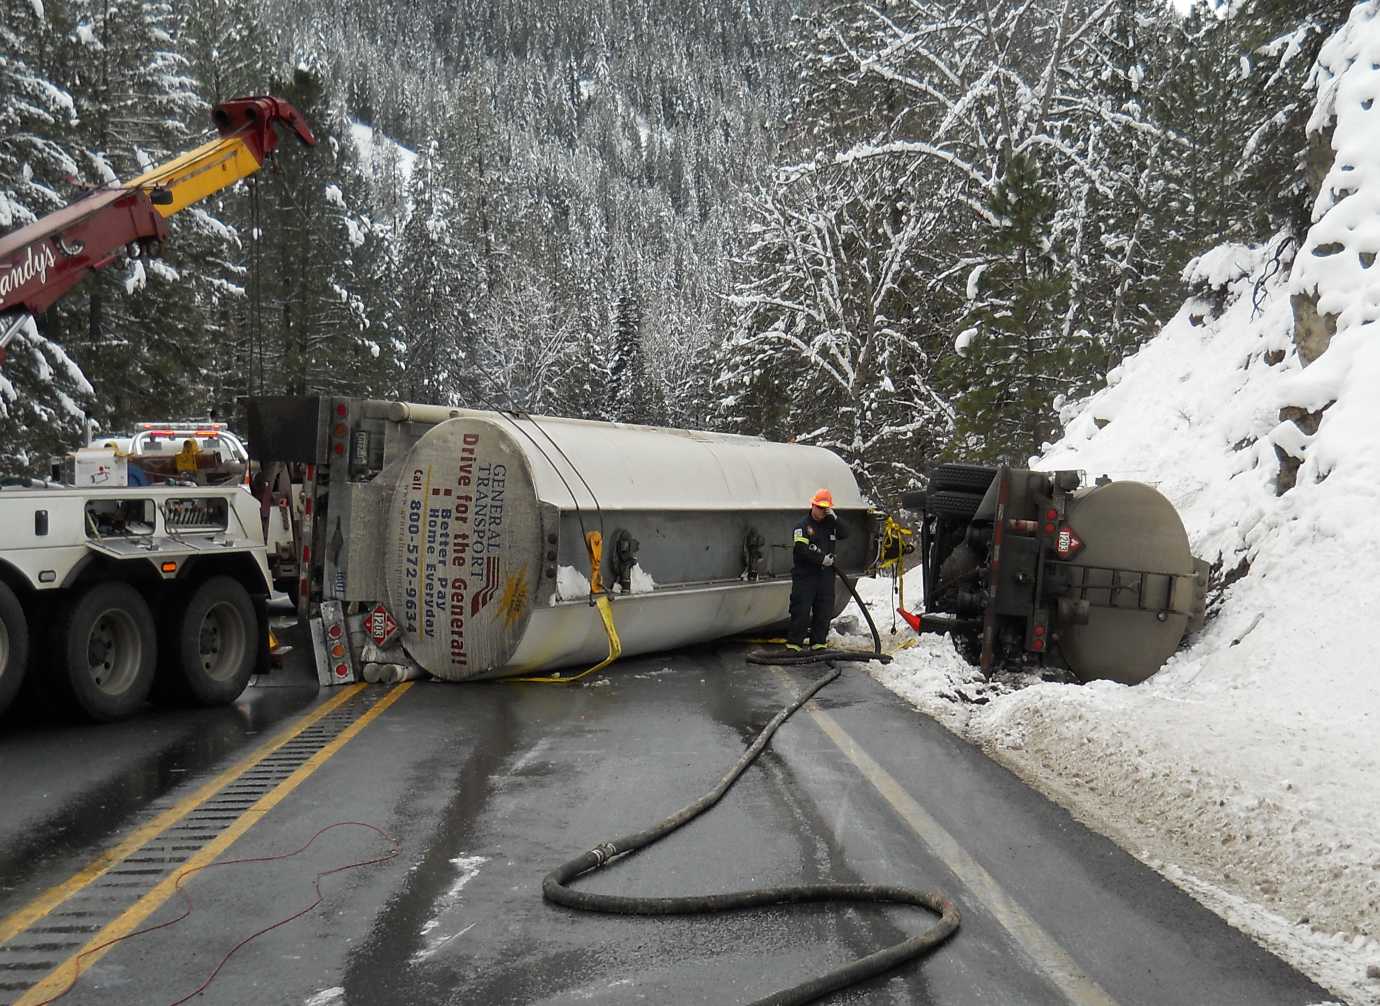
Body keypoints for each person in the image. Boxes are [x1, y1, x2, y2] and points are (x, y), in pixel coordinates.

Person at [787, 488, 848, 651]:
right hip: (805, 576)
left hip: (826, 577)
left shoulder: (830, 525)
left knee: (824, 610)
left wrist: (835, 518)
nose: (821, 511)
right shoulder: (802, 526)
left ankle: (819, 643)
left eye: (825, 508)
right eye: (819, 507)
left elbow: (845, 533)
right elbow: (801, 550)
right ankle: (794, 645)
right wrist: (821, 559)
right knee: (801, 610)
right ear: (812, 505)